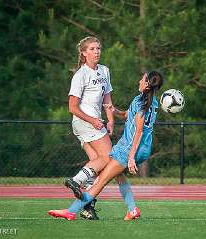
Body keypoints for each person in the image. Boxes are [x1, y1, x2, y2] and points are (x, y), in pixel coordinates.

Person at [48, 70, 163, 221]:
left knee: (101, 180)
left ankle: (71, 211)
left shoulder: (140, 102)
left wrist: (131, 157)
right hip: (144, 149)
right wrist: (114, 111)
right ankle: (132, 209)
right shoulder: (152, 102)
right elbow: (128, 115)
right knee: (119, 176)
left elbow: (139, 131)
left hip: (129, 148)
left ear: (147, 85)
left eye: (142, 79)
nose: (139, 82)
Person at [65, 36, 138, 220]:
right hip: (85, 122)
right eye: (92, 49)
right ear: (83, 53)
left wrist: (110, 120)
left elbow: (107, 101)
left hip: (93, 123)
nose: (96, 51)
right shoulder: (80, 75)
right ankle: (76, 181)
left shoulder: (104, 71)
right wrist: (93, 120)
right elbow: (72, 107)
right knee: (109, 158)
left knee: (98, 164)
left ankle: (87, 206)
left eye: (98, 48)